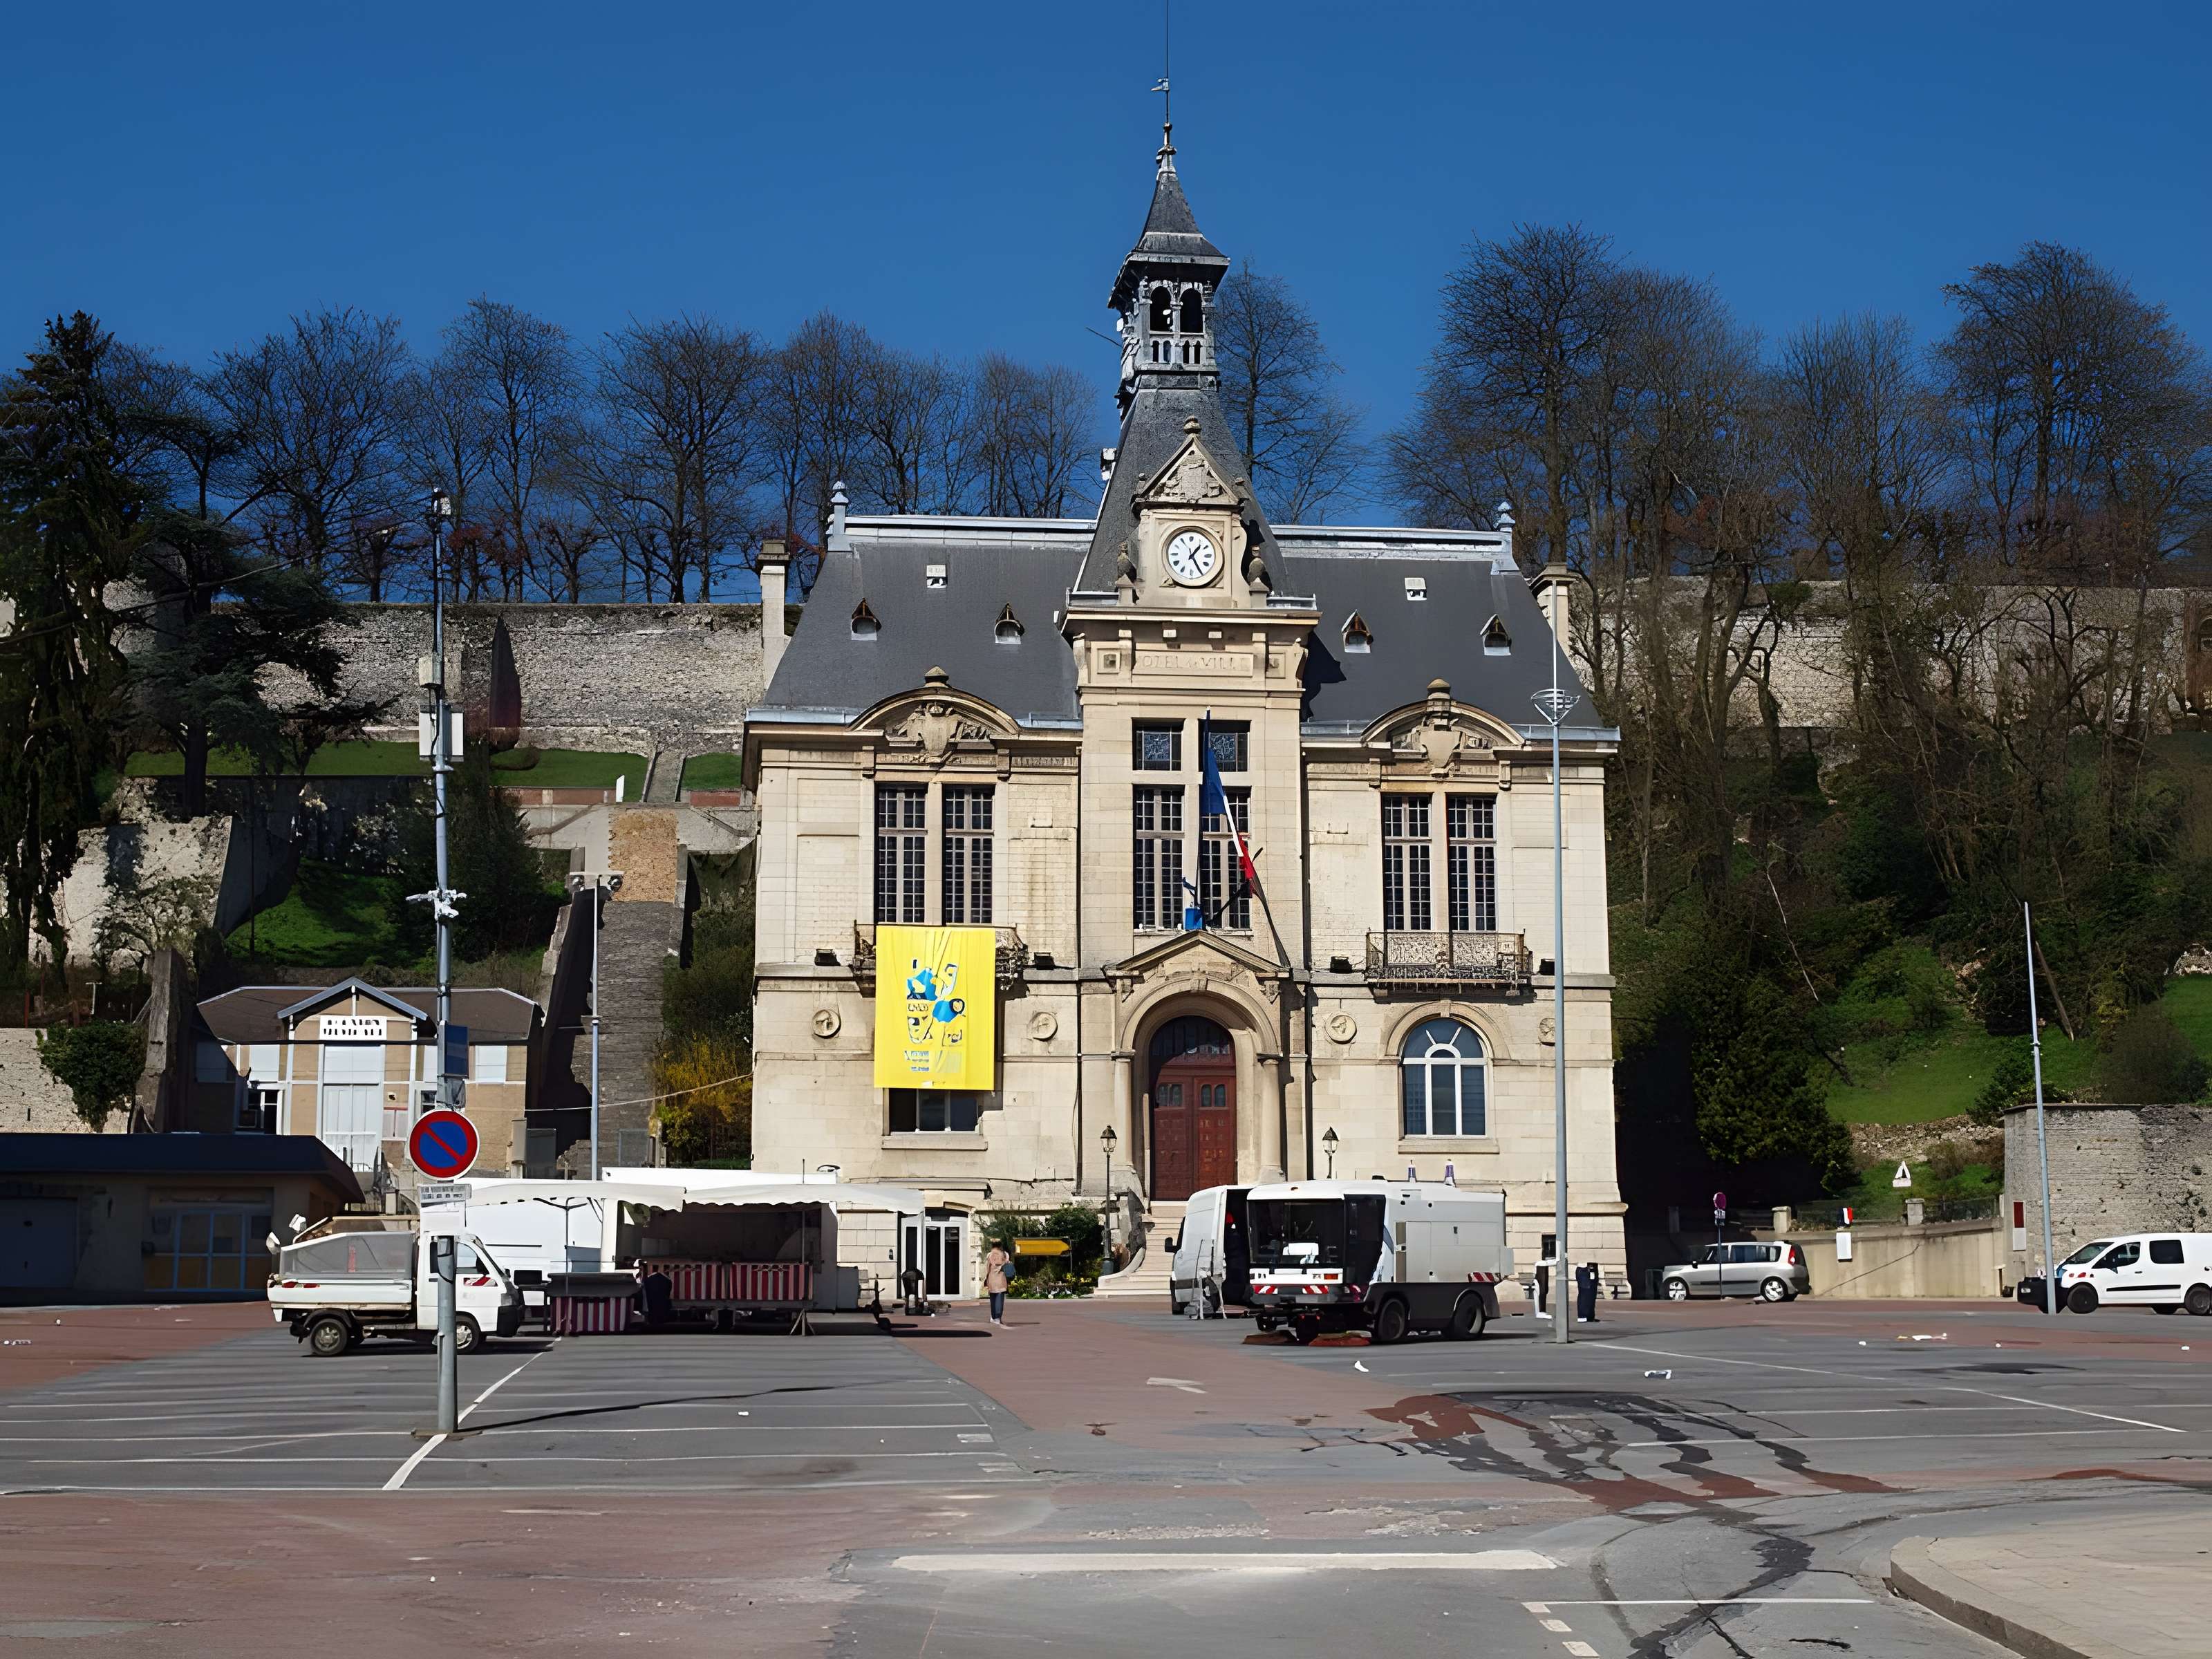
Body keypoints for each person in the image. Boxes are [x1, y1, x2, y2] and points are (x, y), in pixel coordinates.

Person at [982, 1242, 1012, 1326]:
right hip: (1001, 1280)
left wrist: (986, 1280)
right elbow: (1007, 1265)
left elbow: (988, 1268)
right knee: (999, 1300)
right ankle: (998, 1318)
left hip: (992, 1280)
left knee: (993, 1300)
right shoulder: (1005, 1254)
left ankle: (994, 1317)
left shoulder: (990, 1255)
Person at [1575, 1260, 1600, 1325]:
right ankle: (1583, 1315)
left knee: (1592, 1294)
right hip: (1585, 1268)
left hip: (1592, 1267)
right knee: (1585, 1293)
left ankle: (1590, 1316)